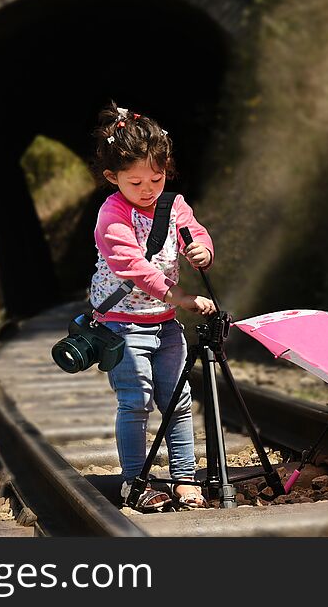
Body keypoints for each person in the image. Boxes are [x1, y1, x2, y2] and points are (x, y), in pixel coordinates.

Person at [88, 101, 216, 512]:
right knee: (136, 400)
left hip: (164, 323)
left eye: (156, 178)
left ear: (167, 171)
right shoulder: (112, 214)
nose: (147, 188)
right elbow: (135, 269)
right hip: (123, 324)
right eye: (135, 181)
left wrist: (202, 251)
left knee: (177, 399)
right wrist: (182, 297)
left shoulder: (172, 204)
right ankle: (134, 481)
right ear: (113, 178)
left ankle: (184, 478)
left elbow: (192, 231)